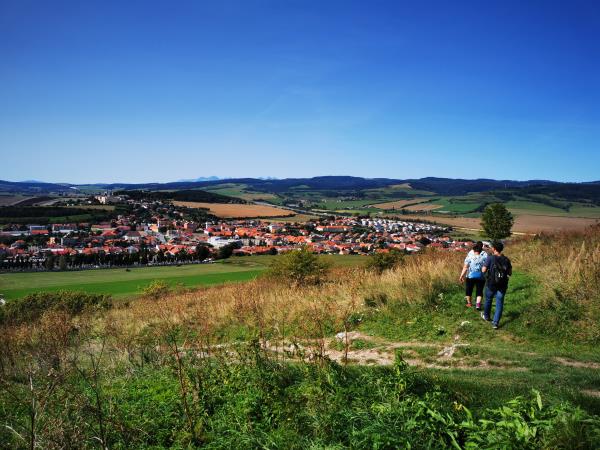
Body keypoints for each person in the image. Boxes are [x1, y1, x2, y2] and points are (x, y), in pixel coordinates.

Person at [481, 241, 512, 329]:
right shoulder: (506, 259)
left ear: (494, 249)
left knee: (488, 300)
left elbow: (483, 270)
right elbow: (510, 273)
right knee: (499, 303)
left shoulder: (490, 258)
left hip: (491, 283)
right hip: (502, 285)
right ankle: (495, 323)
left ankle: (486, 316)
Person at [459, 241, 487, 309]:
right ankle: (478, 305)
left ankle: (469, 303)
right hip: (481, 277)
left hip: (470, 276)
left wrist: (461, 275)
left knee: (469, 290)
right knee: (479, 291)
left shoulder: (470, 257)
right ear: (481, 250)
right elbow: (486, 267)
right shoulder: (484, 257)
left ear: (473, 250)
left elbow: (465, 267)